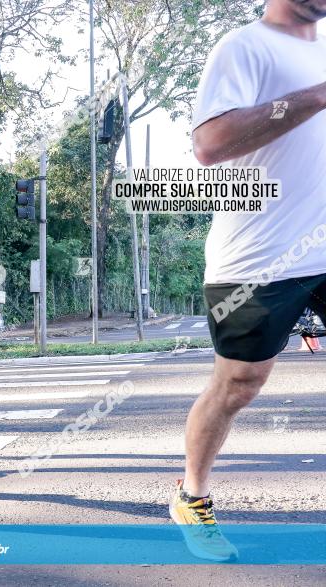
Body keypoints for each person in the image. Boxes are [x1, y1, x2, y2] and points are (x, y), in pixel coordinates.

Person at [174, 0, 326, 561]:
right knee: (240, 383)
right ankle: (193, 497)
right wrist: (317, 94)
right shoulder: (244, 46)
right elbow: (210, 146)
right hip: (259, 257)